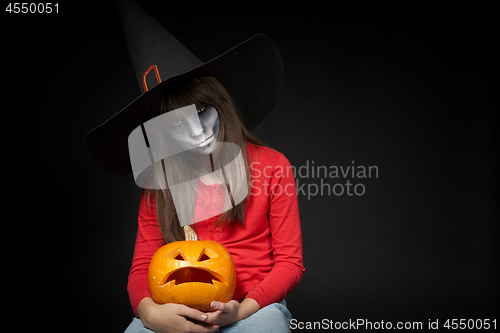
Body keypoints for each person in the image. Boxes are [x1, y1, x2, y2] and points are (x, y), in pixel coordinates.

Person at [124, 76, 304, 333]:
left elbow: (290, 263)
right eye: (177, 122)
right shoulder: (160, 182)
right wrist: (149, 313)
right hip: (174, 308)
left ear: (221, 105)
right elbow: (142, 267)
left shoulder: (272, 166)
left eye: (201, 111)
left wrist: (242, 310)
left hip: (252, 307)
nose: (196, 131)